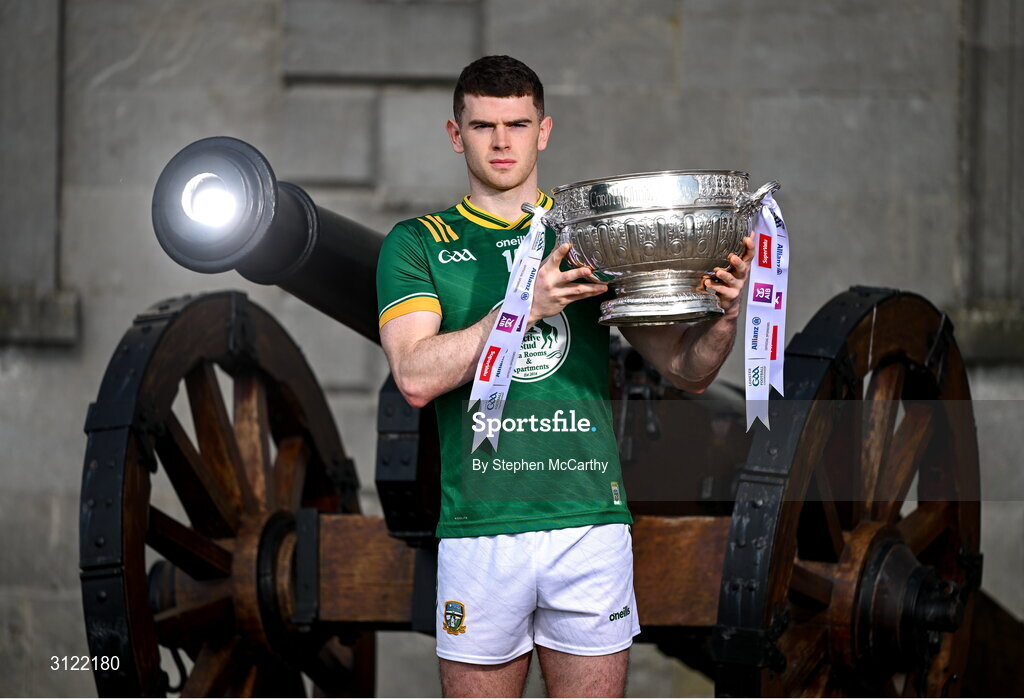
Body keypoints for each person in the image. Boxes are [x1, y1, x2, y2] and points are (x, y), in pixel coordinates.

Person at [376, 55, 754, 698]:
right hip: (480, 526)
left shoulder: (591, 236)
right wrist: (523, 306)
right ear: (454, 132)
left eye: (518, 125)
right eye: (483, 126)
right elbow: (414, 376)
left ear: (543, 131)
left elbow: (686, 371)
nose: (501, 142)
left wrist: (723, 316)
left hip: (589, 524)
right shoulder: (417, 243)